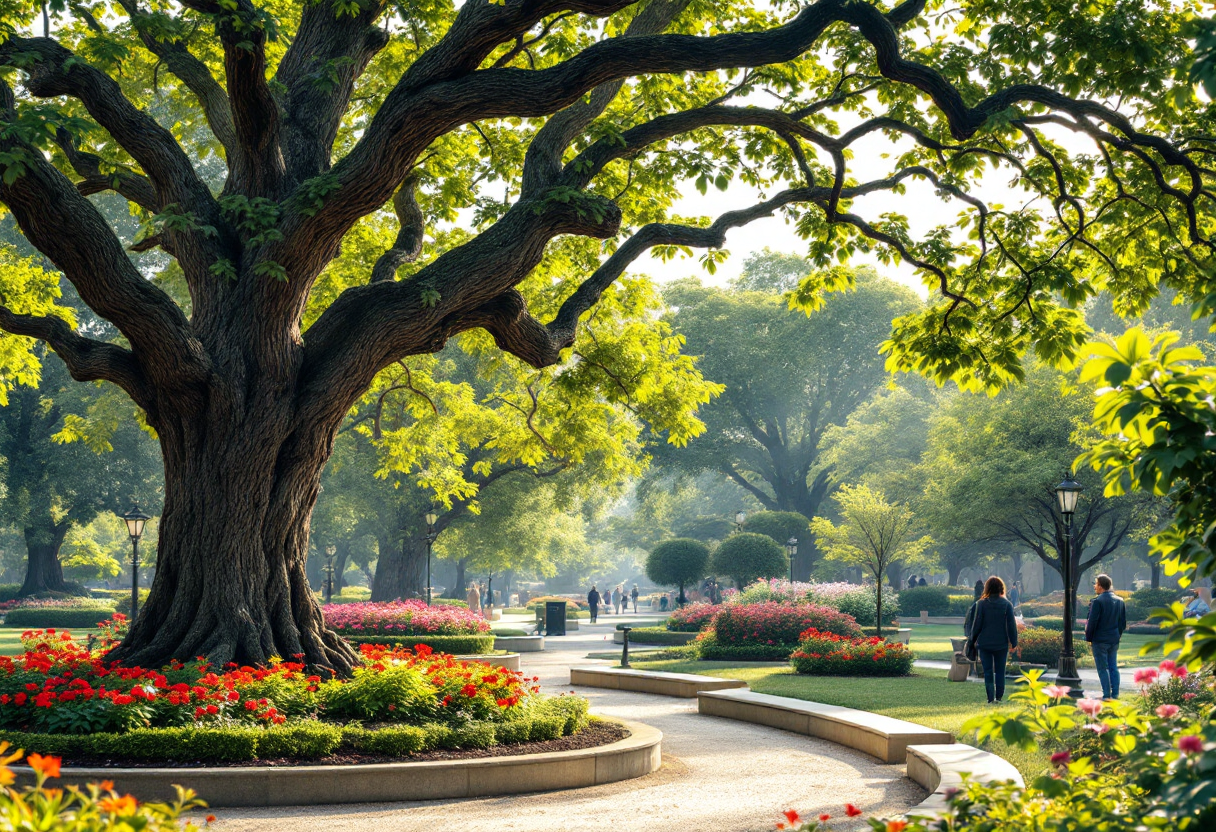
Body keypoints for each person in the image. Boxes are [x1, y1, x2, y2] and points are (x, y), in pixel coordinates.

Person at [965, 576, 1019, 704]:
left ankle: (990, 698)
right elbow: (1011, 626)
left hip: (984, 643)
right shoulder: (1007, 605)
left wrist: (972, 641)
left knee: (988, 672)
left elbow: (976, 625)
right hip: (1001, 644)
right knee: (1000, 671)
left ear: (987, 588)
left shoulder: (981, 604)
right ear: (1001, 588)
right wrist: (1014, 642)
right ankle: (999, 697)